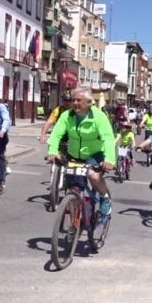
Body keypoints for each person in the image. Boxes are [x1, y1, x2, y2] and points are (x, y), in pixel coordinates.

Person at [46, 87, 116, 215]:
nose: (75, 103)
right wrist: (53, 151)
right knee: (74, 188)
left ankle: (104, 197)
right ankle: (75, 221)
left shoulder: (99, 116)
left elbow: (108, 138)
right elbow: (56, 134)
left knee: (93, 175)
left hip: (95, 154)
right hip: (74, 155)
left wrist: (109, 159)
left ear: (89, 102)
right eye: (74, 100)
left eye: (79, 100)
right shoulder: (67, 115)